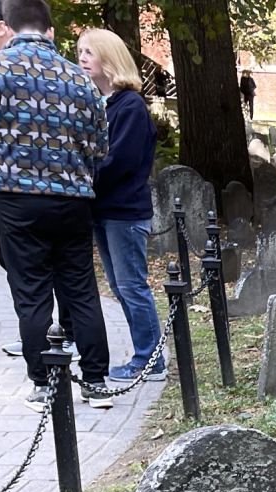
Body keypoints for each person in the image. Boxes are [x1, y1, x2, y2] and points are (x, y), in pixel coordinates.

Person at [0, 0, 112, 410]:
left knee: (31, 294)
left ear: (6, 26)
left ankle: (44, 384)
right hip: (73, 199)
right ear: (50, 28)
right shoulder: (78, 80)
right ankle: (96, 380)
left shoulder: (0, 70)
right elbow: (100, 147)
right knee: (80, 289)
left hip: (16, 199)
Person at [78, 27, 163, 383]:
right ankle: (147, 353)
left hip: (124, 212)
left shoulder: (129, 106)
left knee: (132, 286)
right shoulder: (103, 103)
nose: (81, 58)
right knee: (120, 286)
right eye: (79, 51)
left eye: (89, 53)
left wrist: (81, 178)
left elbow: (119, 161)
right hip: (104, 210)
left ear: (109, 58)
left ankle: (151, 361)